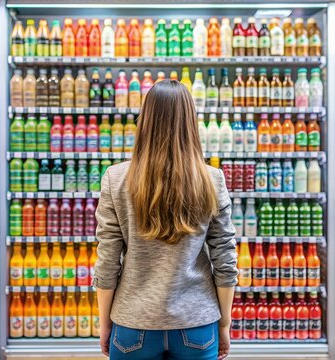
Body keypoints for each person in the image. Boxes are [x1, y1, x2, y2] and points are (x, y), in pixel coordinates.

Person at [94, 80, 238, 360]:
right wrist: (224, 323)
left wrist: (104, 323)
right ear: (190, 122)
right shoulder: (211, 178)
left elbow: (107, 260)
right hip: (196, 320)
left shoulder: (116, 177)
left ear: (145, 120)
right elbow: (225, 259)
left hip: (133, 322)